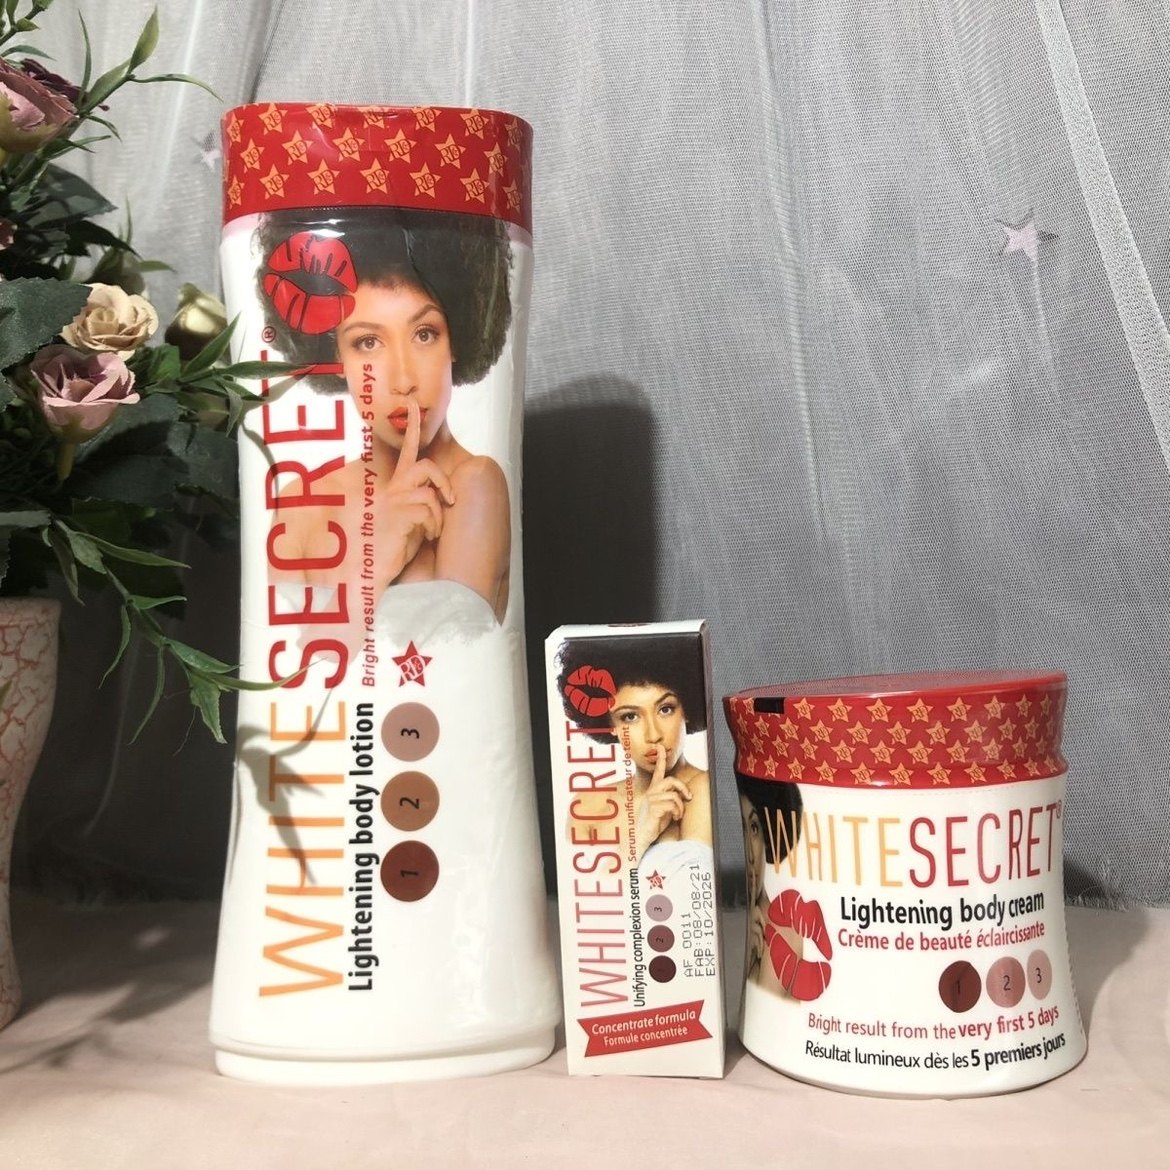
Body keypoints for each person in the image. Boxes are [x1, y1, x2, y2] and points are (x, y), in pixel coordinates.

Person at [257, 207, 513, 625]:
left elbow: (456, 654)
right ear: (335, 358)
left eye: (424, 334)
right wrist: (375, 557)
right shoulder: (300, 504)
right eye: (368, 342)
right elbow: (289, 659)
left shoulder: (474, 485)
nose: (404, 380)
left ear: (456, 340)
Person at [556, 635, 712, 867]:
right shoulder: (587, 805)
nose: (653, 735)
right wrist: (641, 834)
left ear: (686, 709)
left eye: (666, 709)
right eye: (630, 717)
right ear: (610, 725)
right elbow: (580, 887)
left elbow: (690, 884)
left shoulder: (701, 788)